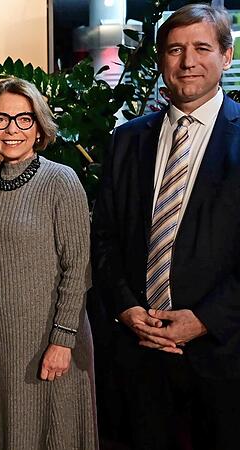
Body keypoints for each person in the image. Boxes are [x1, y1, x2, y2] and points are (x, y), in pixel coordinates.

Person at [91, 4, 240, 449]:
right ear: (160, 61)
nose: (187, 61)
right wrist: (126, 309)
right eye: (175, 50)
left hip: (223, 355)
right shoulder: (128, 138)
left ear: (226, 56)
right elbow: (105, 238)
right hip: (139, 354)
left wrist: (203, 321)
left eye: (201, 48)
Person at [0, 77, 97, 449]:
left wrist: (62, 340)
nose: (11, 130)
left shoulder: (61, 180)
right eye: (1, 119)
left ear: (38, 127)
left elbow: (78, 268)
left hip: (50, 339)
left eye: (23, 119)